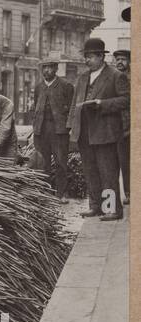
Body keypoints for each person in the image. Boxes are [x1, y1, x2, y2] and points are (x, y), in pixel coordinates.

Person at [68, 37, 129, 221]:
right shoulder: (82, 77)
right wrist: (71, 126)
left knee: (108, 172)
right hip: (84, 132)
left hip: (106, 133)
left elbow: (127, 100)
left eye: (91, 56)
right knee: (90, 171)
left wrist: (101, 103)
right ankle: (96, 207)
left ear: (101, 57)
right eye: (86, 56)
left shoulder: (116, 76)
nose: (87, 60)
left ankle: (112, 209)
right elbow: (74, 103)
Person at [31, 60, 74, 200]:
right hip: (41, 130)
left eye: (50, 68)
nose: (47, 71)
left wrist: (69, 127)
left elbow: (72, 109)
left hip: (59, 130)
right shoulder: (39, 87)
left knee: (61, 162)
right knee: (42, 162)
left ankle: (62, 193)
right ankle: (45, 192)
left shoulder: (65, 86)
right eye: (44, 68)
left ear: (56, 69)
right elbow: (35, 107)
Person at [112, 48, 130, 204]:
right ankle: (124, 193)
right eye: (117, 59)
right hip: (116, 128)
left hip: (131, 127)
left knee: (130, 162)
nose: (120, 62)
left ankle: (130, 192)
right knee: (118, 162)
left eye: (123, 59)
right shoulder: (112, 78)